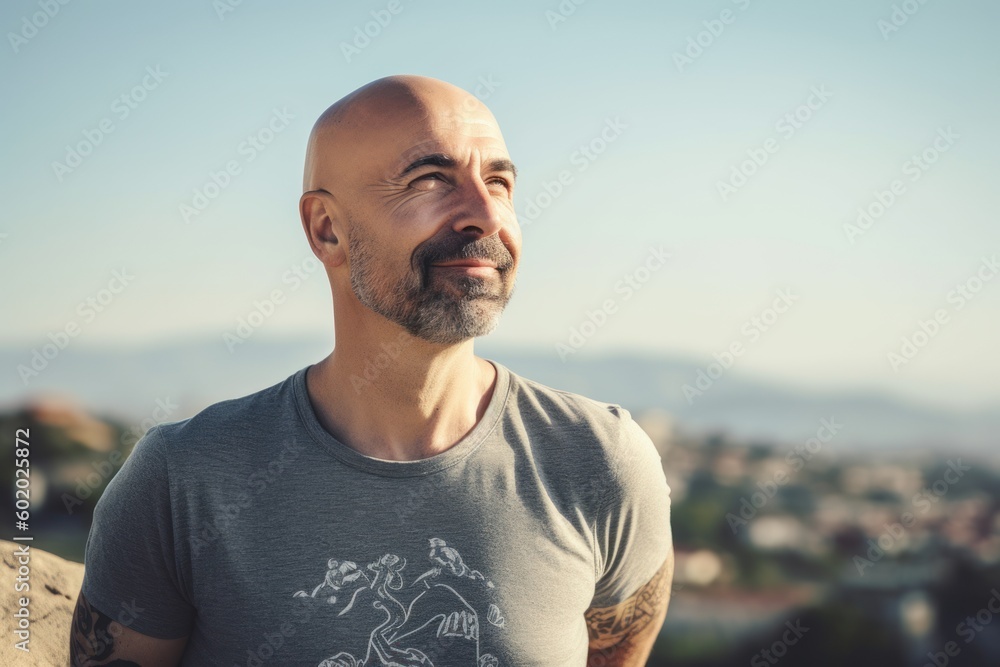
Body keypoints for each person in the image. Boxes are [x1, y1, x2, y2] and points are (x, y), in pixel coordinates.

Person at [70, 74, 674, 666]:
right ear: (326, 229)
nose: (485, 215)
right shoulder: (184, 478)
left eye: (499, 181)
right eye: (431, 179)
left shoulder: (602, 461)